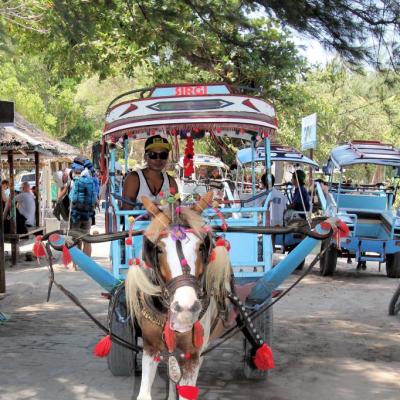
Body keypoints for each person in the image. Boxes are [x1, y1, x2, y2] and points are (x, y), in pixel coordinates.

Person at [122, 135, 178, 208]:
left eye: (163, 155)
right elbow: (125, 213)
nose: (158, 159)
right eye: (153, 155)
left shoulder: (171, 182)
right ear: (145, 157)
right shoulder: (134, 179)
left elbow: (177, 208)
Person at [69, 157, 98, 261]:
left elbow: (71, 197)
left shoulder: (75, 181)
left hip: (76, 214)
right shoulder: (92, 179)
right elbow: (96, 196)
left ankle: (75, 264)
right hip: (88, 214)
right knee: (87, 238)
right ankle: (87, 262)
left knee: (75, 238)